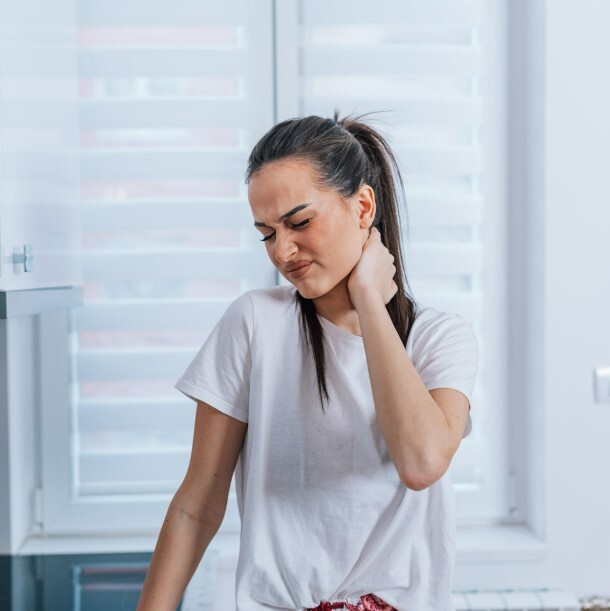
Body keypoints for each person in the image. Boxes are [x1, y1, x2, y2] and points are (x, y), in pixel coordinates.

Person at [136, 112, 479, 611]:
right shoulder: (254, 323)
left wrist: (368, 298)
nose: (283, 250)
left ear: (363, 207)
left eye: (299, 223)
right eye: (267, 233)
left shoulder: (439, 338)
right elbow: (197, 507)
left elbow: (421, 461)